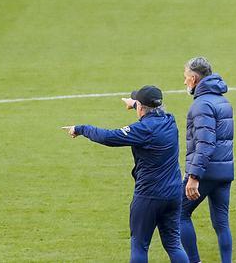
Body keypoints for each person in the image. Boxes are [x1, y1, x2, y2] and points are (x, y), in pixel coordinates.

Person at [63, 86, 190, 263]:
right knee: (173, 244)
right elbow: (150, 117)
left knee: (139, 245)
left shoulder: (143, 130)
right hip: (174, 193)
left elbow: (108, 137)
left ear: (141, 107)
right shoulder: (169, 120)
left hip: (149, 195)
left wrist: (81, 128)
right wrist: (135, 103)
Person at [179, 57, 235, 263]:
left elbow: (205, 143)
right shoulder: (223, 101)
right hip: (224, 171)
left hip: (205, 172)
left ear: (194, 78)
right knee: (221, 223)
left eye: (185, 78)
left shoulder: (201, 105)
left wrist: (194, 176)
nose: (184, 82)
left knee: (179, 215)